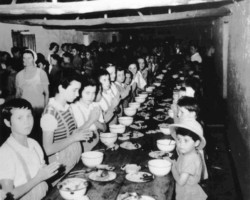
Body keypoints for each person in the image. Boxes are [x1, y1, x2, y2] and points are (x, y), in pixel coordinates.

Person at [0, 98, 60, 200]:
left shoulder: (34, 143)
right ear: (7, 122)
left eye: (29, 116)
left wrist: (49, 171)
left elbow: (41, 170)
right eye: (20, 118)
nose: (27, 122)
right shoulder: (5, 153)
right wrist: (39, 178)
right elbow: (8, 196)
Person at [40, 70, 93, 182]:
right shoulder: (50, 114)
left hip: (73, 161)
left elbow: (68, 133)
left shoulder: (67, 107)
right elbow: (47, 149)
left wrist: (81, 133)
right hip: (61, 167)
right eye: (74, 90)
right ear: (61, 88)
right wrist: (74, 138)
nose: (78, 94)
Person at [169, 121, 208, 200]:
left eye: (186, 140)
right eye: (179, 139)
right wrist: (173, 163)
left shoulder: (190, 159)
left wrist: (172, 169)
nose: (181, 144)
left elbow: (181, 181)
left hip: (188, 195)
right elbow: (181, 167)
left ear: (196, 143)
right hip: (186, 192)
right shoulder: (187, 153)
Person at [71, 76, 106, 151]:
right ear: (80, 92)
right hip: (82, 148)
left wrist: (95, 121)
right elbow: (73, 135)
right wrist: (91, 120)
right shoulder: (73, 108)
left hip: (97, 145)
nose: (91, 97)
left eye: (93, 93)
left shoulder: (95, 106)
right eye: (87, 93)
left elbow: (104, 128)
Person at [15, 49, 49, 113]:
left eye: (29, 58)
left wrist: (46, 109)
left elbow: (47, 93)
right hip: (25, 108)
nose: (26, 60)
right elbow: (18, 94)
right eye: (24, 58)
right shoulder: (19, 75)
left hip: (39, 108)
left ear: (34, 59)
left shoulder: (41, 73)